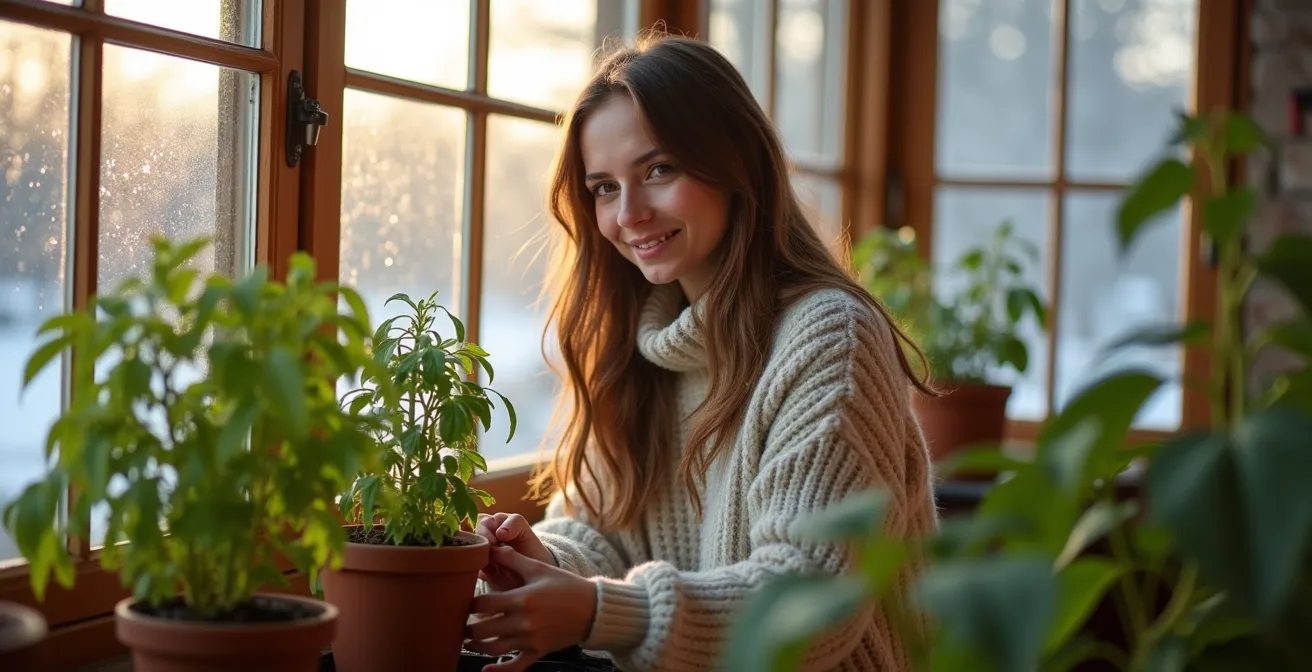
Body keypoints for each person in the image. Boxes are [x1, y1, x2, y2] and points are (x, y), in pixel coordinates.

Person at [466, 32, 939, 672]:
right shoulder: (636, 347)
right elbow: (599, 530)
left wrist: (598, 611)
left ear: (735, 163)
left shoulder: (830, 336)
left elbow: (809, 601)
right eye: (604, 187)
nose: (629, 213)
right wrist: (542, 560)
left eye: (659, 170)